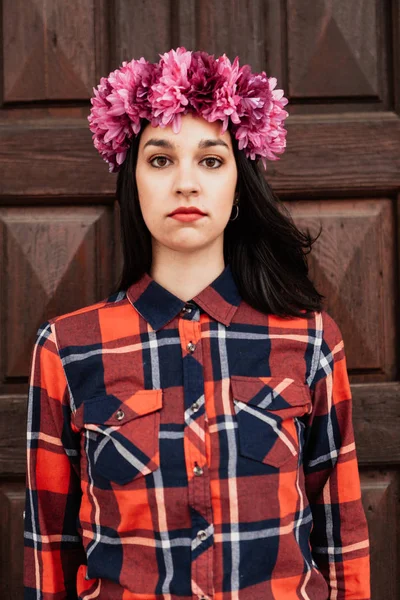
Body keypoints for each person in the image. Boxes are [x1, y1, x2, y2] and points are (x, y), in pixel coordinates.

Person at [23, 47, 371, 599]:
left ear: (239, 186)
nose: (186, 183)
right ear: (133, 185)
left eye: (211, 160)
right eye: (161, 160)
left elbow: (342, 530)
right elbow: (49, 544)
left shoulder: (309, 340)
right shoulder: (67, 348)